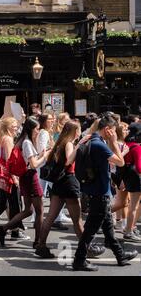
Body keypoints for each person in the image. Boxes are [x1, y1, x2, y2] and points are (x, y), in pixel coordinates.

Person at [72, 113, 138, 271]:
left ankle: (120, 256)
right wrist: (114, 142)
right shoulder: (99, 144)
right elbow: (120, 162)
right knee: (90, 230)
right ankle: (79, 260)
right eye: (114, 130)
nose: (115, 133)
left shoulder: (92, 140)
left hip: (97, 191)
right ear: (108, 129)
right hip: (100, 192)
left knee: (108, 228)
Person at [35, 121, 105, 258]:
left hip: (59, 183)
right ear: (75, 131)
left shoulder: (60, 143)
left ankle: (41, 245)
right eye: (79, 129)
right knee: (77, 219)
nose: (80, 132)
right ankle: (87, 248)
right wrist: (79, 145)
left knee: (50, 216)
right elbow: (69, 161)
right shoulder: (68, 144)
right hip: (69, 182)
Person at [0, 117, 51, 248]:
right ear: (31, 129)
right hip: (30, 177)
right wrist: (45, 155)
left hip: (25, 177)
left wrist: (40, 155)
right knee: (39, 210)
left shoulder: (21, 141)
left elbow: (28, 160)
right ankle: (37, 242)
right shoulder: (26, 142)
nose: (38, 131)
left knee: (28, 210)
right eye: (37, 129)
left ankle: (3, 229)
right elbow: (33, 164)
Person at [121, 123, 141, 242]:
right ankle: (129, 231)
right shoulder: (137, 147)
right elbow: (139, 167)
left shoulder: (125, 144)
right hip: (136, 178)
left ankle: (129, 229)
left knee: (130, 205)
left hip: (127, 177)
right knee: (134, 206)